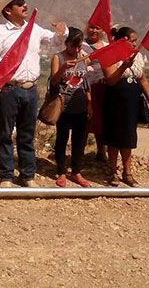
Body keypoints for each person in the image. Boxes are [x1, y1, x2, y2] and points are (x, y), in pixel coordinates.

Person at [0, 0, 67, 188]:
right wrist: (5, 65)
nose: (24, 6)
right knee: (5, 133)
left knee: (27, 134)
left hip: (30, 90)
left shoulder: (35, 29)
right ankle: (6, 175)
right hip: (9, 89)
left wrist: (62, 31)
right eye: (19, 3)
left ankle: (27, 174)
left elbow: (56, 41)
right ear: (8, 10)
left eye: (23, 2)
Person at [102, 27, 149, 187]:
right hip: (114, 100)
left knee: (128, 137)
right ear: (123, 41)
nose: (135, 44)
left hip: (132, 102)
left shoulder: (138, 56)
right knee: (113, 137)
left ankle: (127, 172)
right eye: (132, 41)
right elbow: (110, 79)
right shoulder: (109, 55)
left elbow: (142, 79)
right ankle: (112, 171)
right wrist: (123, 66)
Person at [50, 28, 92, 187]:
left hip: (80, 105)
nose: (76, 49)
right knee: (62, 138)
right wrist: (63, 68)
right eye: (72, 46)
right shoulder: (58, 57)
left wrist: (89, 104)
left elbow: (87, 84)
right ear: (66, 43)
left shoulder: (83, 58)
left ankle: (76, 171)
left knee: (79, 140)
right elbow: (53, 81)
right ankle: (61, 171)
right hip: (63, 106)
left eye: (78, 46)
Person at [83, 24, 109, 162]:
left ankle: (101, 151)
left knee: (101, 121)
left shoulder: (106, 45)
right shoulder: (81, 44)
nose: (94, 30)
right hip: (85, 88)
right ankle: (79, 154)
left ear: (102, 30)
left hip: (102, 88)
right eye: (91, 27)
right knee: (84, 120)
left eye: (97, 28)